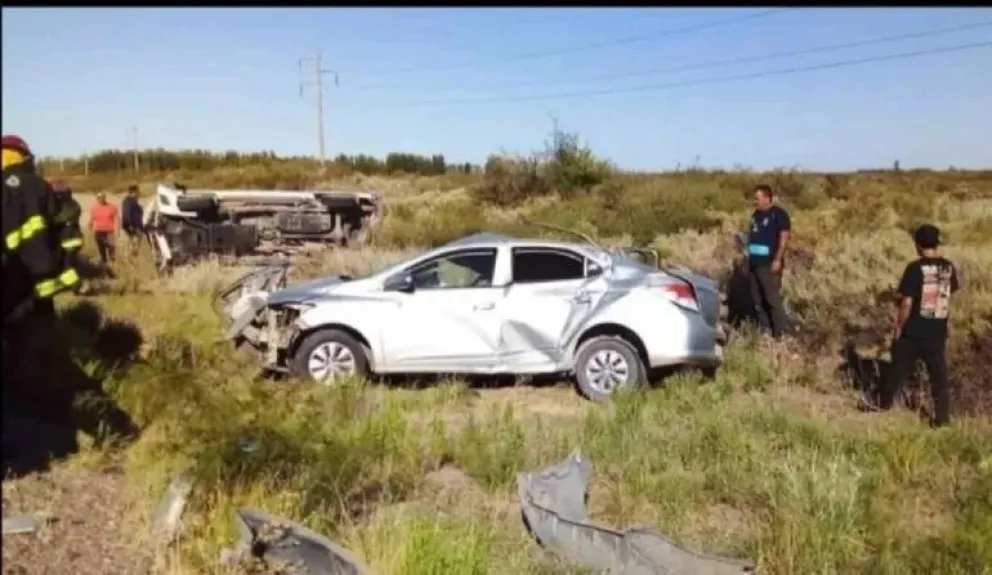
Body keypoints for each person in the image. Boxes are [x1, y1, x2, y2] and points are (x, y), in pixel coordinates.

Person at [877, 224, 960, 428]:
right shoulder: (947, 267)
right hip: (937, 329)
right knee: (939, 376)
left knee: (897, 369)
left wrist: (898, 325)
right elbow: (951, 291)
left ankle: (882, 405)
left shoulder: (915, 268)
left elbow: (907, 302)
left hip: (914, 329)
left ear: (918, 244)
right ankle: (942, 419)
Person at [2, 134, 80, 323]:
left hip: (7, 272)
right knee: (41, 326)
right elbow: (61, 224)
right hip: (41, 274)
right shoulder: (40, 185)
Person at [745, 184, 791, 338]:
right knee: (757, 300)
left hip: (769, 263)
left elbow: (784, 238)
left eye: (757, 198)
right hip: (754, 263)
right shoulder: (755, 215)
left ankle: (781, 333)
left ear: (767, 198)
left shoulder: (779, 214)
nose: (755, 201)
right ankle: (765, 331)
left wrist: (777, 259)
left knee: (772, 299)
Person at [49, 179, 86, 294]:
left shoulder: (72, 205)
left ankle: (78, 286)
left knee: (66, 265)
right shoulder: (61, 204)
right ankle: (74, 286)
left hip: (71, 239)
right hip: (66, 239)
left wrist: (50, 220)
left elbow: (59, 219)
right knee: (67, 264)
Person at [88, 192, 119, 266]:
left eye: (102, 197)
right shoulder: (94, 208)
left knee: (111, 249)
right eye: (99, 198)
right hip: (98, 231)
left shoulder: (112, 207)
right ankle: (104, 266)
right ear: (97, 199)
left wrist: (118, 229)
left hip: (109, 231)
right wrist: (89, 230)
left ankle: (113, 265)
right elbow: (91, 220)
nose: (101, 199)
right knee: (102, 250)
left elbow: (117, 219)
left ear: (105, 198)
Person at [120, 184, 144, 254]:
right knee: (134, 240)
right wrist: (130, 225)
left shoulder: (135, 201)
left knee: (137, 240)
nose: (139, 193)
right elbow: (126, 213)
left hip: (136, 225)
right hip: (131, 225)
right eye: (138, 191)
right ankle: (133, 253)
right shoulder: (127, 201)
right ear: (133, 192)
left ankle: (134, 253)